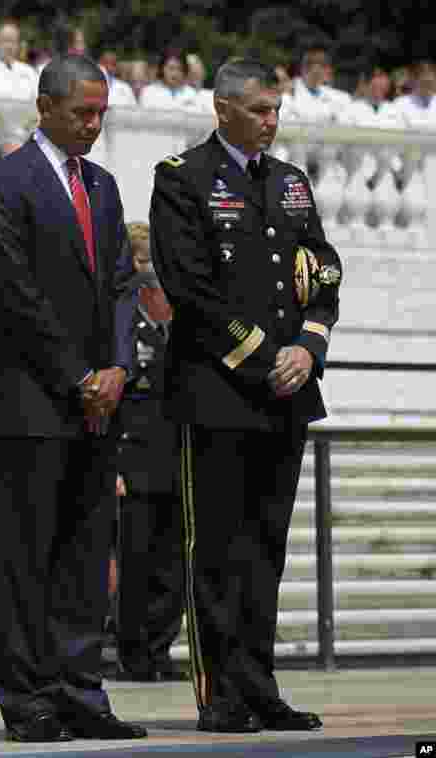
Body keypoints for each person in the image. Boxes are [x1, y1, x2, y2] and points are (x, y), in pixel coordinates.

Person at [149, 58, 341, 734]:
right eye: (260, 109)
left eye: (276, 109)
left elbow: (322, 271)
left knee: (266, 549)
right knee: (218, 549)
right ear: (223, 108)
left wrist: (308, 347)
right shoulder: (183, 180)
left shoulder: (290, 183)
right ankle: (220, 693)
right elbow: (190, 291)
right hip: (218, 393)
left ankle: (259, 685)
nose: (271, 121)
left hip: (286, 394)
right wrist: (266, 358)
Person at [0, 55, 144, 743]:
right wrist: (79, 376)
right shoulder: (6, 183)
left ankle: (81, 688)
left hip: (99, 401)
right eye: (83, 112)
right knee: (29, 556)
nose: (94, 124)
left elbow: (125, 285)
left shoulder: (101, 187)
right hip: (35, 399)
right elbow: (19, 296)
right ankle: (29, 697)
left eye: (102, 113)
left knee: (83, 554)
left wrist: (119, 369)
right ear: (45, 106)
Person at [114, 222, 184, 683]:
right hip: (135, 462)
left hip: (177, 460)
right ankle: (134, 652)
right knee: (137, 563)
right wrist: (113, 467)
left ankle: (160, 647)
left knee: (173, 566)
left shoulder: (182, 324)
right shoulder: (124, 322)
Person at [393, 61, 436, 129]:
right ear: (415, 80)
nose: (428, 87)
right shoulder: (400, 104)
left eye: (431, 82)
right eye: (425, 82)